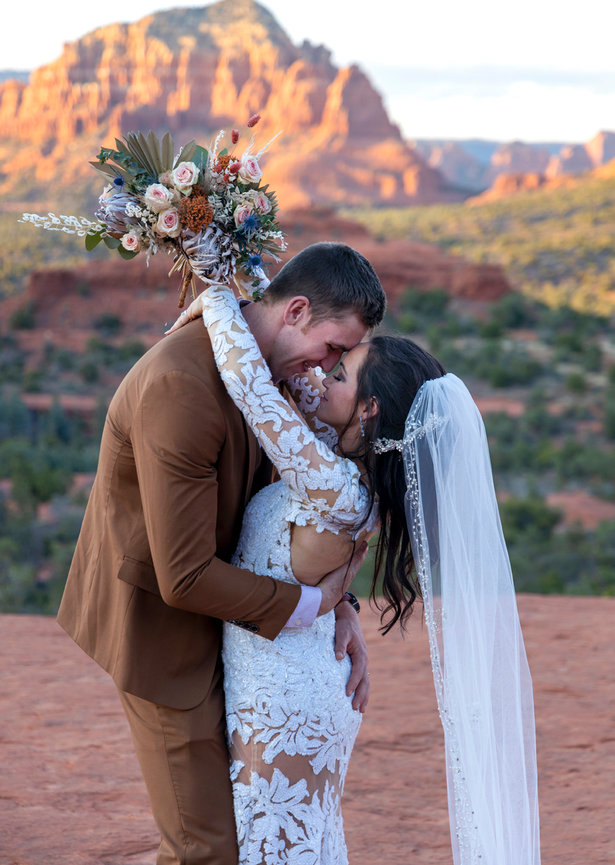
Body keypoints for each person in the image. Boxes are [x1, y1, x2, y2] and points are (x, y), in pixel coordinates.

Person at [170, 278, 541, 865]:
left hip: (282, 706)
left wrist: (218, 299)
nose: (321, 376)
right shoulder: (340, 464)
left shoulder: (336, 489)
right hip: (300, 681)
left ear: (368, 410)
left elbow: (252, 387)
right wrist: (269, 295)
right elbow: (290, 376)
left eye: (340, 374)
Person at [57, 242, 387, 865]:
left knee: (236, 831)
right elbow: (181, 577)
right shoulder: (183, 386)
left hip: (235, 624)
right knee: (204, 846)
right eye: (334, 349)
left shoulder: (269, 374)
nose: (327, 370)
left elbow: (283, 515)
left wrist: (340, 611)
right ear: (295, 311)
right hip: (162, 628)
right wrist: (315, 603)